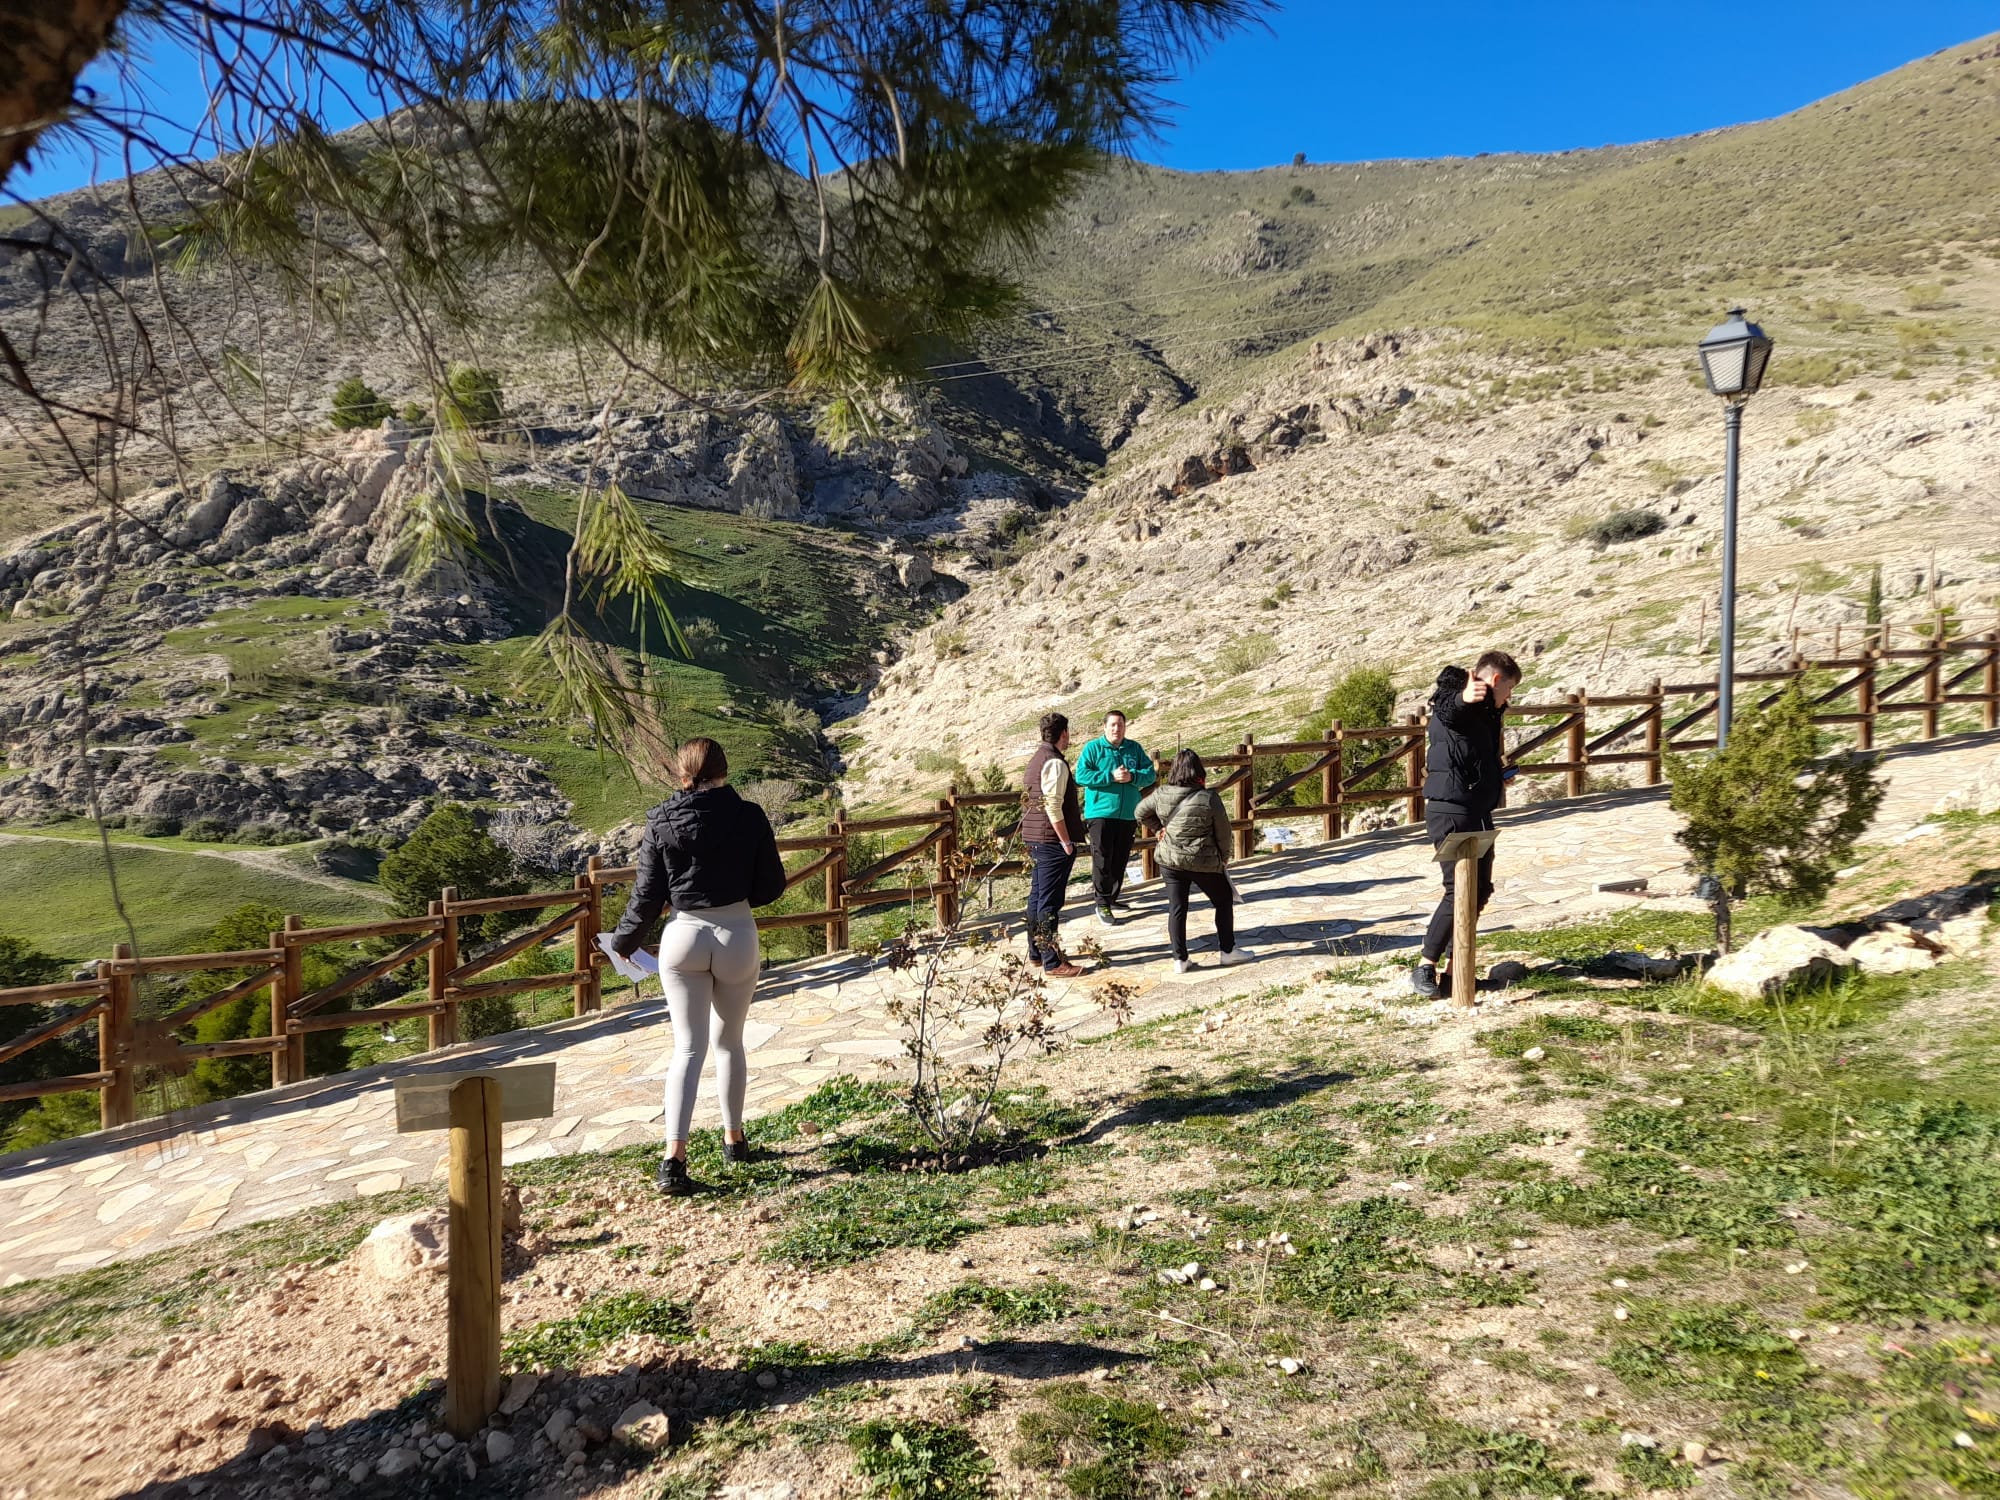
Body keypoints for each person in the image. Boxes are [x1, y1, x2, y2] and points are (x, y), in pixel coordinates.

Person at [608, 737, 786, 1195]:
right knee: (730, 1043)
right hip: (737, 934)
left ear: (680, 775)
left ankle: (674, 1158)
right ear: (726, 771)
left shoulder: (660, 820)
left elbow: (646, 895)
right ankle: (734, 1140)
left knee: (687, 1048)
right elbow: (771, 886)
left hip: (683, 935)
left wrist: (626, 941)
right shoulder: (749, 817)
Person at [1412, 650, 1521, 998]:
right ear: (1496, 680)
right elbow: (1451, 711)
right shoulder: (1458, 697)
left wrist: (1496, 777)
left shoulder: (1488, 713)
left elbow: (1468, 756)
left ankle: (1455, 971)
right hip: (1452, 812)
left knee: (1480, 889)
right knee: (1457, 889)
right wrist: (1464, 697)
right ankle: (1424, 966)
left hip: (1476, 809)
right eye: (1509, 690)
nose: (1510, 698)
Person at [1137, 749, 1253, 974]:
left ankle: (1180, 959)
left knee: (1177, 908)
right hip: (1203, 861)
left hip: (1170, 861)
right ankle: (1228, 951)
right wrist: (1225, 856)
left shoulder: (1161, 793)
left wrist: (1158, 829)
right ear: (1199, 771)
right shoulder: (1209, 798)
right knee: (1223, 901)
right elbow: (1223, 833)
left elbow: (1139, 812)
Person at [1072, 709, 1157, 925]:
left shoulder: (1134, 748)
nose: (1116, 729)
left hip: (1128, 813)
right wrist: (1110, 776)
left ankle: (1111, 898)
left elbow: (1150, 774)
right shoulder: (1093, 748)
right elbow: (1081, 775)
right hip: (1100, 813)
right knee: (1102, 858)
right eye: (1112, 725)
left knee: (1120, 858)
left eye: (1120, 725)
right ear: (1105, 727)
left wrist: (1133, 776)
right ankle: (1101, 902)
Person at [1021, 712, 1086, 978]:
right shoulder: (1055, 763)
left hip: (1034, 837)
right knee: (1049, 901)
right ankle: (1052, 961)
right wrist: (1066, 841)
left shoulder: (1036, 760)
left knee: (1037, 897)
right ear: (1064, 733)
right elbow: (1053, 806)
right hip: (1050, 840)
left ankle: (1036, 953)